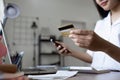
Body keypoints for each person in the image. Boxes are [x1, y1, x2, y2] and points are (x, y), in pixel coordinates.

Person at [55, 0, 120, 70]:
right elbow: (92, 58)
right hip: (96, 75)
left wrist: (104, 46)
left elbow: (104, 47)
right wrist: (70, 52)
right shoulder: (100, 24)